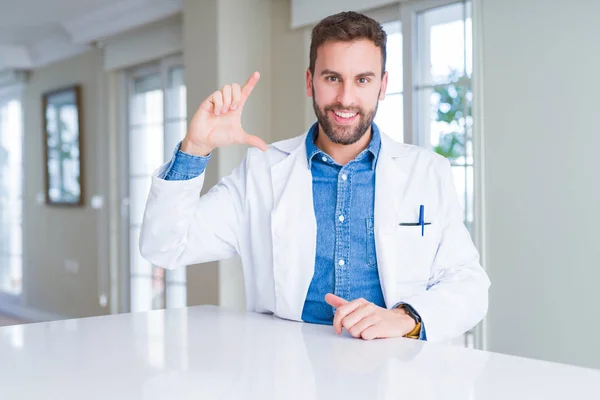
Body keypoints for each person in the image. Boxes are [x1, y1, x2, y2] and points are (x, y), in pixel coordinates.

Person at [140, 11, 490, 343]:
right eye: (332, 78)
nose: (346, 98)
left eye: (363, 80)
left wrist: (404, 317)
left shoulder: (428, 172)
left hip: (395, 372)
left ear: (382, 86)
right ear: (310, 81)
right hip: (289, 374)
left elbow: (469, 285)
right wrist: (195, 147)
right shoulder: (263, 172)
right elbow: (165, 246)